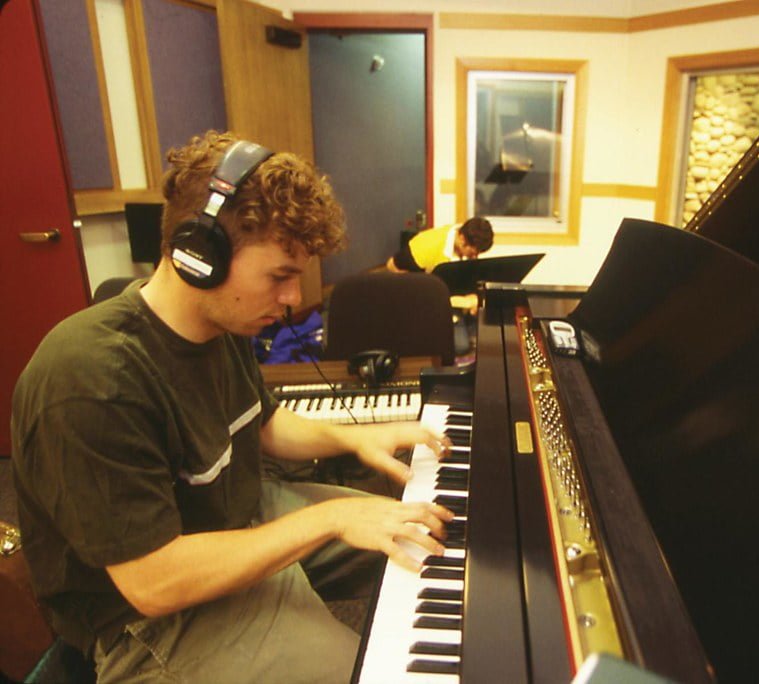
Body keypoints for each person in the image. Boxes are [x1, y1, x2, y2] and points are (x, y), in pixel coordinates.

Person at [10, 130, 454, 683]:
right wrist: (333, 517)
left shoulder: (222, 323)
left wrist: (354, 437)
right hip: (148, 616)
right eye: (280, 277)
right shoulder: (92, 378)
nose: (293, 300)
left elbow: (263, 423)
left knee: (429, 532)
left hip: (235, 516)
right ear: (199, 256)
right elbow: (152, 582)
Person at [386, 218, 494, 313]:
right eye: (473, 253)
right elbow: (392, 265)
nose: (474, 257)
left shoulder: (465, 232)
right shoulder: (425, 248)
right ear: (462, 239)